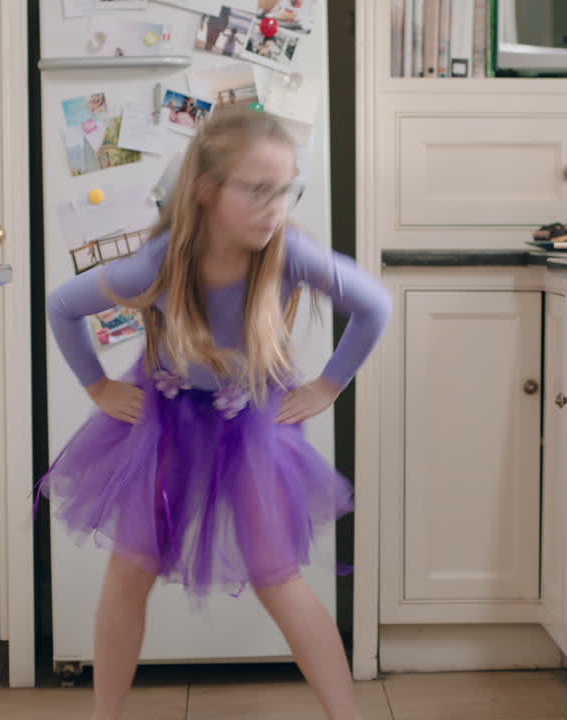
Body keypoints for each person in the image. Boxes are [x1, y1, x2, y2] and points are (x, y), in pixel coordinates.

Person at [37, 107, 391, 720]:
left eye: (285, 190)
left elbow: (374, 306)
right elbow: (63, 305)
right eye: (258, 190)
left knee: (275, 574)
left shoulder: (291, 253)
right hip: (166, 421)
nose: (274, 206)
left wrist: (330, 385)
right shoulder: (160, 262)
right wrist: (97, 387)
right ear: (206, 191)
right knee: (130, 570)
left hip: (250, 425)